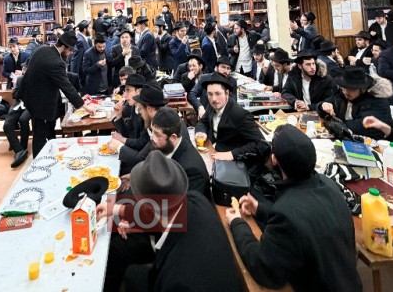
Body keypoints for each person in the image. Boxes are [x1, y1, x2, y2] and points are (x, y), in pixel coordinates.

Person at [226, 125, 362, 292]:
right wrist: (260, 209)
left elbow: (263, 269)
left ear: (274, 160)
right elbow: (305, 221)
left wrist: (237, 223)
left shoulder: (286, 212)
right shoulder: (329, 184)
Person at [101, 152, 240, 292]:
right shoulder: (194, 198)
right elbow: (163, 212)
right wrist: (120, 211)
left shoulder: (178, 281)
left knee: (131, 271)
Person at [21, 32, 95, 157]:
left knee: (40, 133)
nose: (70, 53)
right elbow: (67, 86)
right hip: (41, 102)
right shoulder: (56, 62)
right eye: (70, 50)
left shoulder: (42, 49)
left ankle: (43, 158)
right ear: (64, 47)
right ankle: (38, 161)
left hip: (31, 98)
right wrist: (85, 106)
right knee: (40, 136)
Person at [195, 73, 268, 162]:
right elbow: (203, 121)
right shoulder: (212, 106)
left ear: (227, 93)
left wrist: (232, 154)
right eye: (210, 94)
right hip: (214, 152)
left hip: (234, 162)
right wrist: (201, 132)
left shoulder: (240, 115)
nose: (213, 99)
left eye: (218, 94)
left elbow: (262, 144)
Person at [316, 66, 393, 138]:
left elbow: (362, 127)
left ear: (362, 88)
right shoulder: (341, 94)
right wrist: (322, 106)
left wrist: (334, 123)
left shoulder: (377, 101)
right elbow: (322, 107)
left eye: (351, 89)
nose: (346, 92)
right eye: (344, 87)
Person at [109, 81, 168, 165]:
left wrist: (119, 146)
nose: (139, 112)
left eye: (141, 109)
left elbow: (141, 158)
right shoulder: (155, 119)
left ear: (149, 108)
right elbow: (127, 132)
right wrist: (119, 115)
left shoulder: (161, 126)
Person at [3, 62, 30, 168]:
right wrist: (19, 87)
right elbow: (14, 95)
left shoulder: (37, 79)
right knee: (7, 125)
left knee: (23, 120)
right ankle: (19, 150)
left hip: (30, 105)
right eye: (23, 68)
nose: (23, 70)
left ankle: (23, 147)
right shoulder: (19, 79)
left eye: (25, 68)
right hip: (17, 105)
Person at [111, 73, 144, 140]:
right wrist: (119, 115)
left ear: (138, 91)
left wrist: (122, 140)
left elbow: (141, 142)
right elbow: (127, 133)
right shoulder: (134, 107)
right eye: (125, 91)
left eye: (128, 90)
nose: (125, 95)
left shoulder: (145, 111)